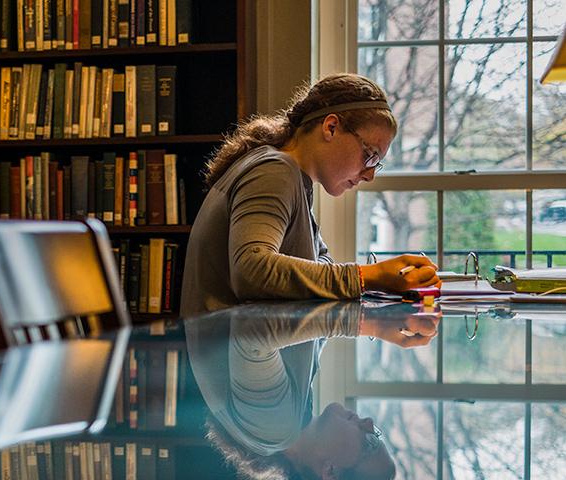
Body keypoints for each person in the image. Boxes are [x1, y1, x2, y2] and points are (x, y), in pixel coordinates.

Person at [180, 73, 441, 317]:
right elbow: (252, 270)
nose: (369, 175)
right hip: (234, 357)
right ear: (331, 127)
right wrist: (367, 277)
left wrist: (378, 280)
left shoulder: (294, 179)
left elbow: (320, 267)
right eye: (370, 156)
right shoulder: (274, 172)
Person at [185, 301, 437, 480]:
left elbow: (254, 334)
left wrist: (366, 324)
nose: (370, 423)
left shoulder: (275, 428)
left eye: (370, 444)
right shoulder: (295, 411)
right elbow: (314, 271)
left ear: (329, 471)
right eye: (377, 434)